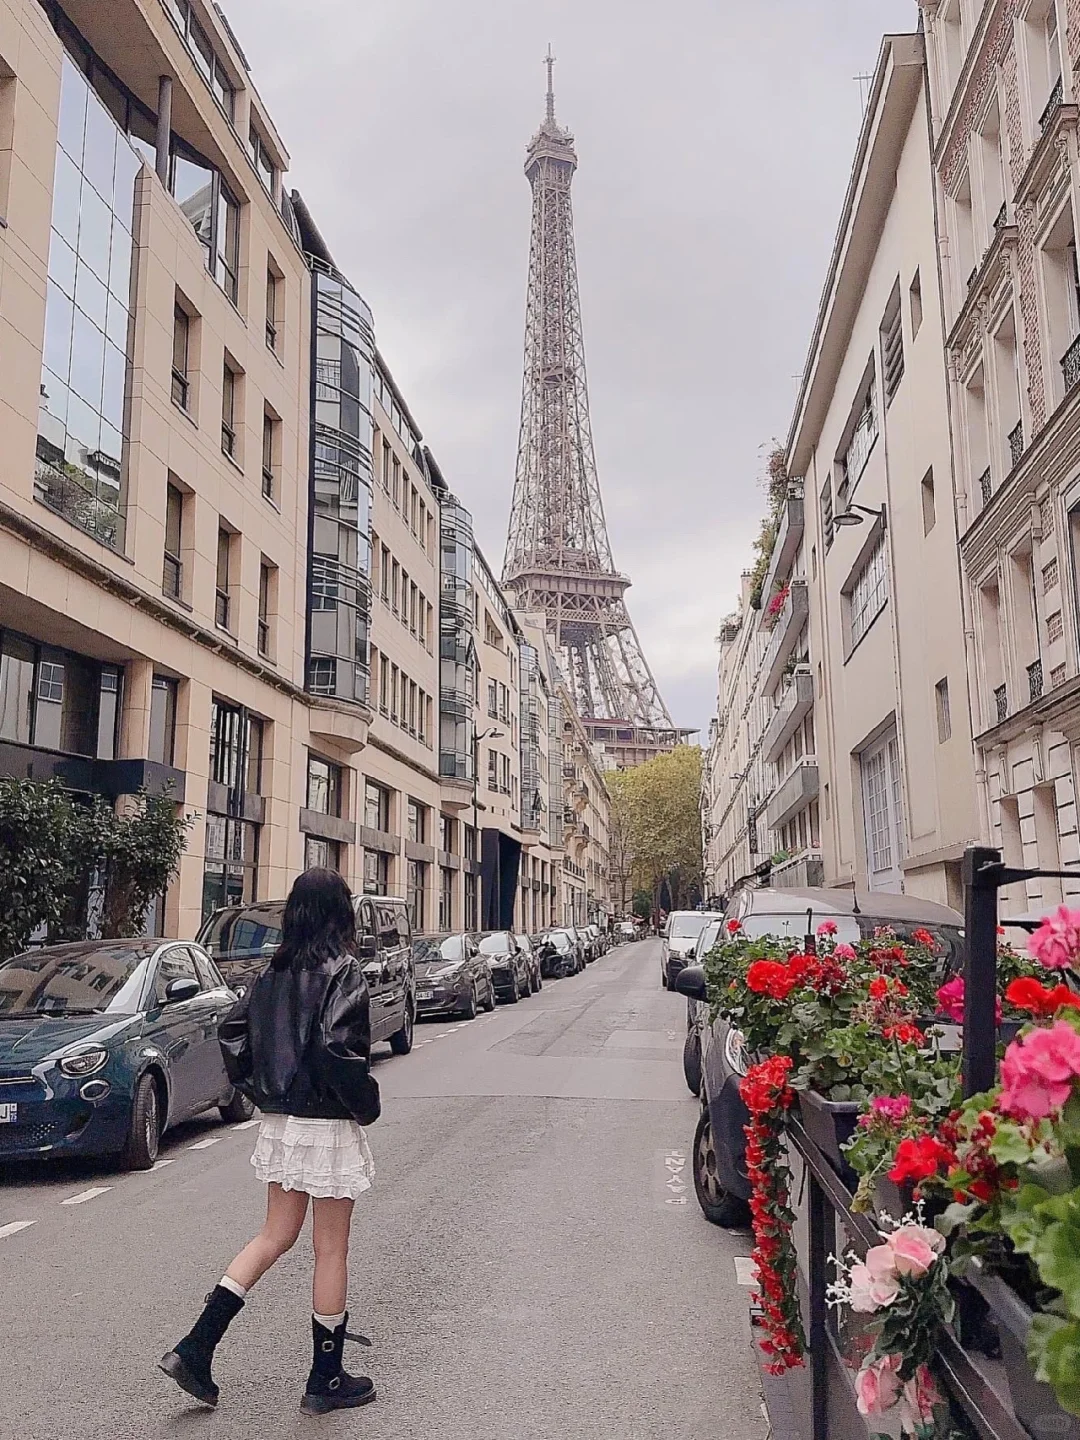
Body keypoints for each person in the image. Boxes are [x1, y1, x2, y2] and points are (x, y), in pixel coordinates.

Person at [159, 868, 381, 1415]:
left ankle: (196, 1346)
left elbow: (233, 1036)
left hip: (282, 1123)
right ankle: (325, 1379)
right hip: (326, 1124)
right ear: (339, 913)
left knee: (273, 1235)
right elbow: (335, 1048)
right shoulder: (344, 970)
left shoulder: (271, 972)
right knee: (329, 1248)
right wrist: (366, 1102)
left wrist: (263, 1089)